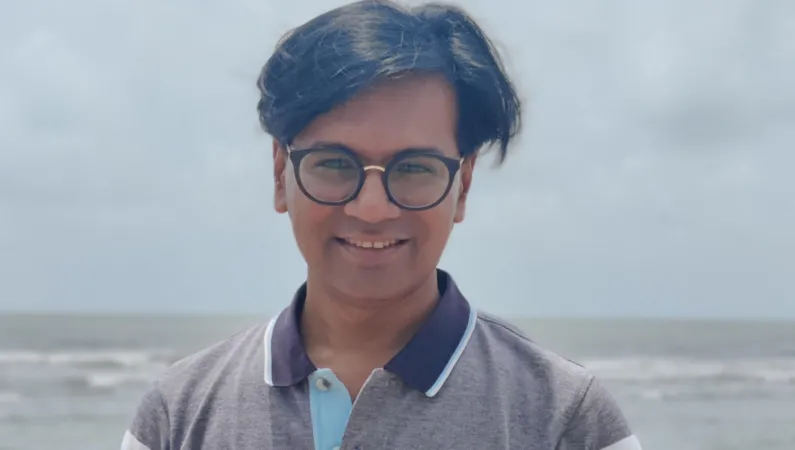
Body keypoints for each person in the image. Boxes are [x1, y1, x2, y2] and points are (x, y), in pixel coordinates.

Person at [121, 1, 642, 449]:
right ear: (281, 174)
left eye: (414, 168)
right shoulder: (179, 415)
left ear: (463, 184)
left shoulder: (564, 418)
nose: (372, 209)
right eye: (334, 163)